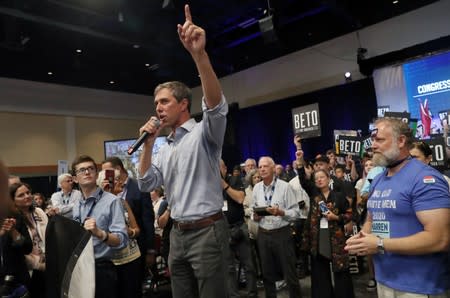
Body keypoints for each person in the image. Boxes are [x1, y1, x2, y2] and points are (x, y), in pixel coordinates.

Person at [137, 5, 229, 297]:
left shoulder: (205, 133)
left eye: (164, 102)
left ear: (183, 105)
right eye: (156, 105)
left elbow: (215, 104)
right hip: (177, 234)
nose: (158, 108)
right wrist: (149, 145)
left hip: (207, 232)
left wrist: (199, 56)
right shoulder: (164, 146)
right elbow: (145, 183)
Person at [345, 118, 450, 297]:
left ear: (401, 141)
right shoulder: (377, 179)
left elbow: (440, 239)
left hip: (420, 285)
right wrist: (362, 239)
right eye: (373, 141)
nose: (373, 146)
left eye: (380, 140)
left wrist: (379, 244)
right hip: (384, 280)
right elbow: (371, 219)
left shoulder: (425, 179)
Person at [71, 155, 128, 298]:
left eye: (91, 169)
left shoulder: (112, 201)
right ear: (75, 179)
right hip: (80, 268)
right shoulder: (77, 205)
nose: (87, 172)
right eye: (82, 170)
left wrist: (100, 233)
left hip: (101, 269)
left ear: (96, 174)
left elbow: (122, 241)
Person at [101, 156, 156, 287]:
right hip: (111, 255)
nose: (105, 175)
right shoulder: (103, 195)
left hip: (136, 251)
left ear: (118, 169)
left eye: (108, 171)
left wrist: (150, 250)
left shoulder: (139, 187)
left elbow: (148, 220)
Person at [251, 156, 302, 298]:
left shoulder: (285, 187)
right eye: (260, 166)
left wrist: (281, 212)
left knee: (289, 272)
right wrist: (254, 216)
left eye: (265, 166)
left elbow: (296, 212)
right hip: (263, 233)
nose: (262, 169)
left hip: (282, 233)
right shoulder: (256, 188)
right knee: (267, 273)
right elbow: (252, 210)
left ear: (273, 168)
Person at [301, 169, 355, 298]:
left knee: (341, 270)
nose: (319, 180)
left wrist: (336, 217)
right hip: (318, 237)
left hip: (336, 238)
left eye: (322, 177)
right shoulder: (314, 196)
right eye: (316, 178)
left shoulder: (339, 196)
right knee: (320, 271)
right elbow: (303, 181)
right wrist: (299, 162)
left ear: (329, 178)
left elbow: (349, 214)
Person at [97, 169, 142, 298]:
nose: (121, 182)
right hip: (109, 261)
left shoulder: (123, 202)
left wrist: (129, 232)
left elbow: (137, 230)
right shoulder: (96, 204)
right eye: (116, 179)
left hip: (131, 259)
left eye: (120, 179)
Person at [220, 159, 257, 298]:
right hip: (223, 230)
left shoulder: (234, 179)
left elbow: (240, 198)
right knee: (228, 267)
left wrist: (223, 184)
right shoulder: (210, 184)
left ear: (224, 168)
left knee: (249, 264)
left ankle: (252, 293)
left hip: (239, 227)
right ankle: (233, 295)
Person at [10, 182, 48, 298]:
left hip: (47, 262)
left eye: (28, 193)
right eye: (21, 195)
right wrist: (38, 264)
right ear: (13, 200)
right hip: (29, 269)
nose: (27, 196)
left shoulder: (39, 212)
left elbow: (48, 236)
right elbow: (17, 250)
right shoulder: (12, 219)